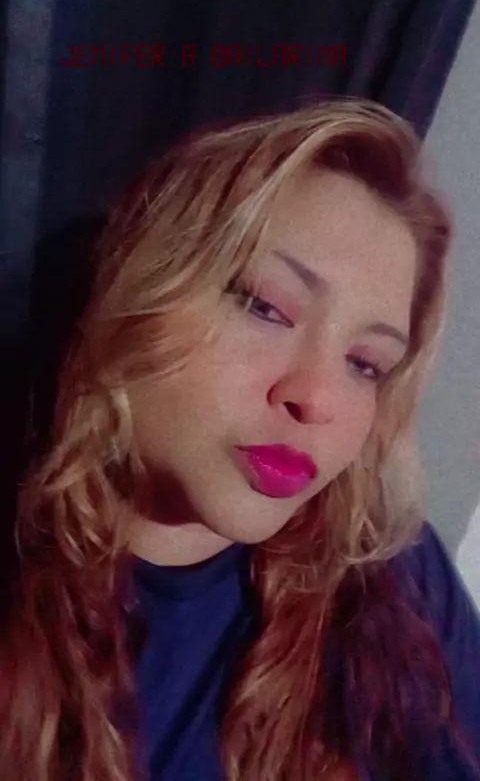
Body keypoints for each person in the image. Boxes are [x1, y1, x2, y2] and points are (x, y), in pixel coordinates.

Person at [1, 98, 479, 781]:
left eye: (365, 364)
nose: (316, 398)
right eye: (265, 306)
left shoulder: (393, 578)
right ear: (141, 282)